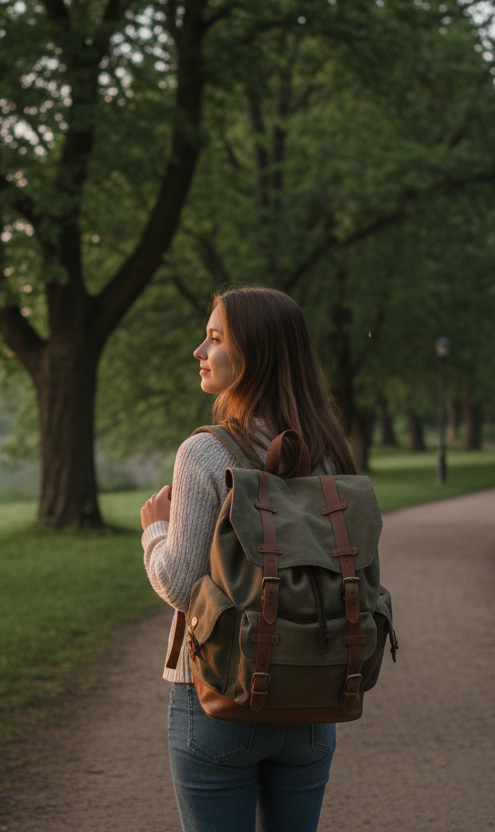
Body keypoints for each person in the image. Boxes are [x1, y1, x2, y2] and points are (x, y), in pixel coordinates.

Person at [140, 285, 357, 832]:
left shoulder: (206, 451)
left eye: (214, 338)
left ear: (253, 355)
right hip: (310, 694)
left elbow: (182, 583)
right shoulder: (328, 449)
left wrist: (155, 529)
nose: (199, 350)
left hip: (217, 697)